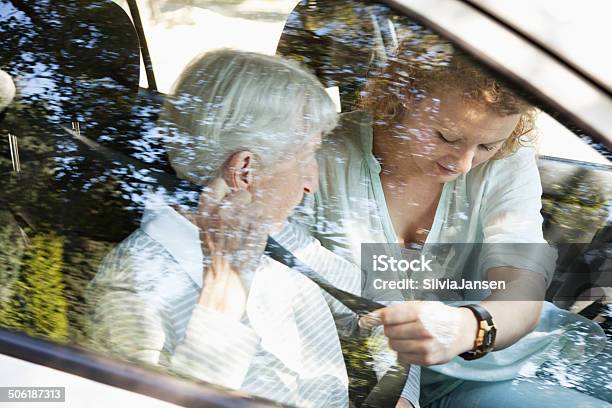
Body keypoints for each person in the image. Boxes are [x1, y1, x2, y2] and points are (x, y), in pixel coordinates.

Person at [278, 33, 609, 407]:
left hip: (496, 364)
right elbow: (296, 304)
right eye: (446, 136)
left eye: (487, 146)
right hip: (352, 374)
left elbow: (521, 284)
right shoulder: (319, 157)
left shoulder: (508, 162)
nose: (463, 164)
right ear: (399, 99)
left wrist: (470, 327)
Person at [86, 49, 362, 407]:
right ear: (245, 170)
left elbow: (375, 302)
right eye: (307, 157)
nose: (312, 182)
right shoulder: (134, 286)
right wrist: (223, 294)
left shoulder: (277, 234)